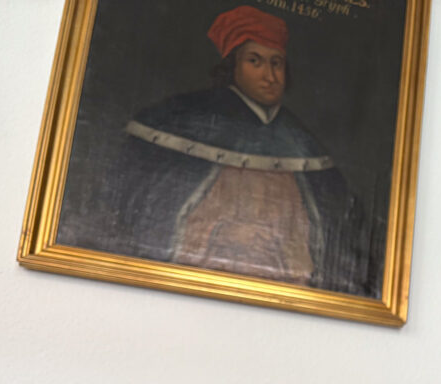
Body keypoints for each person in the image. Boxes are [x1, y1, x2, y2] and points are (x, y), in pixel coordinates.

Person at [106, 5, 372, 296]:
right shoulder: (183, 122)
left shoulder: (302, 142)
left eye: (277, 63)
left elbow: (329, 240)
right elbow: (152, 217)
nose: (270, 76)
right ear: (232, 67)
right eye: (255, 61)